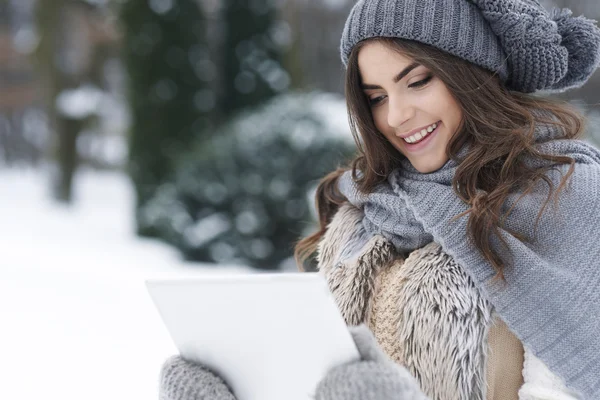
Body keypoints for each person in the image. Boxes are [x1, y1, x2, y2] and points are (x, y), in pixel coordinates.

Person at [159, 0, 600, 399]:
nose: (395, 116)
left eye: (418, 81)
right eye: (375, 97)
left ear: (472, 74)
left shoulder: (567, 202)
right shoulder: (363, 210)